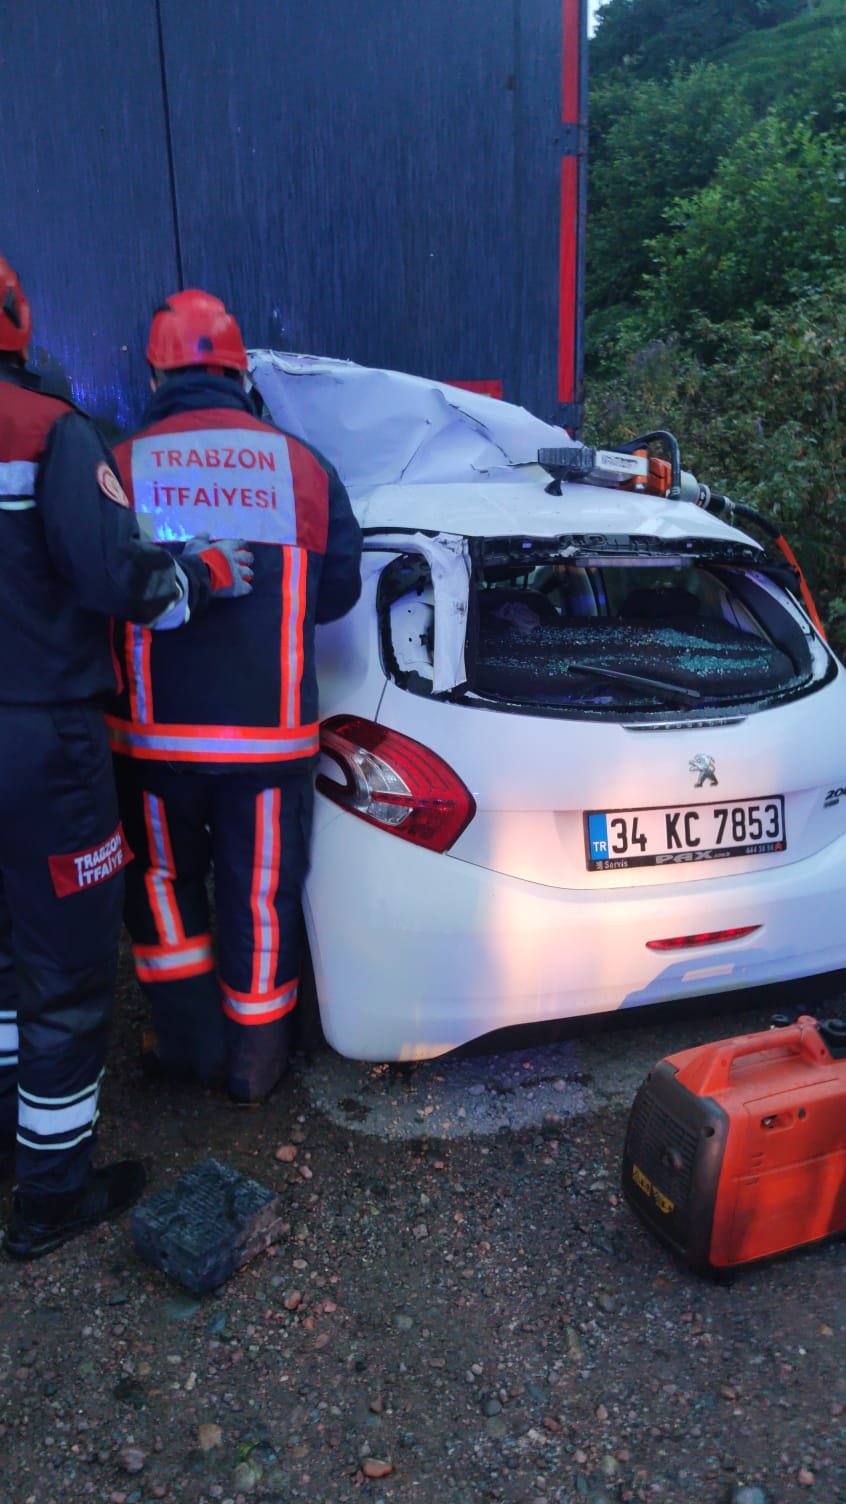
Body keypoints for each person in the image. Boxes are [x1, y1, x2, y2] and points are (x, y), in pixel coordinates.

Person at [0, 258, 254, 1260]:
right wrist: (203, 573)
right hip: (40, 742)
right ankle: (53, 1193)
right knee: (64, 967)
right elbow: (120, 577)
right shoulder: (48, 433)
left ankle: (18, 1133)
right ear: (16, 321)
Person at [108, 289, 362, 1104]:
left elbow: (93, 583)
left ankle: (185, 1047)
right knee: (259, 895)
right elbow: (339, 596)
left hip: (151, 743)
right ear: (239, 370)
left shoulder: (117, 465)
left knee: (160, 883)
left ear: (155, 371)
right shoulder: (305, 466)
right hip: (268, 739)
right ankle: (254, 1067)